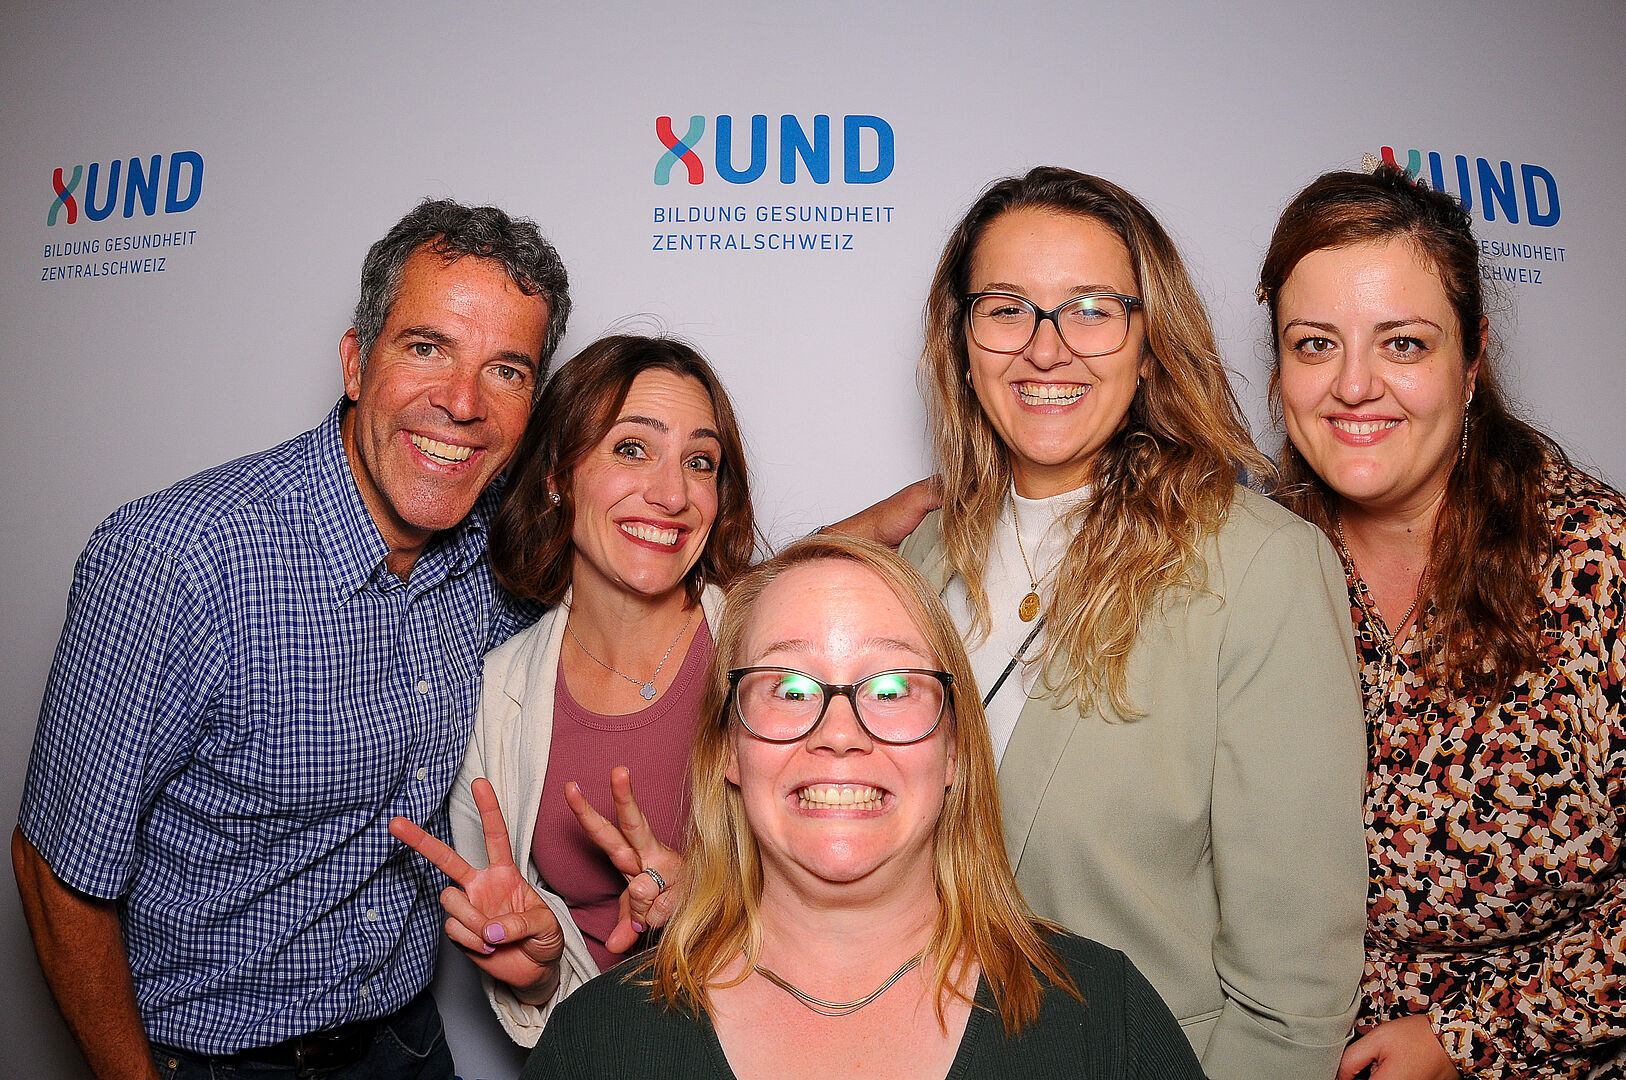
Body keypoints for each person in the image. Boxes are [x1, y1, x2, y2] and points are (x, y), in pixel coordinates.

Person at [12, 198, 570, 1080]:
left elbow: (654, 578)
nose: (462, 403)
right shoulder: (177, 561)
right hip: (215, 1061)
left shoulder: (499, 546)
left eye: (506, 370)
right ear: (355, 362)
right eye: (426, 348)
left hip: (405, 1041)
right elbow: (56, 872)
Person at [895, 166, 1370, 1079]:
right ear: (962, 341)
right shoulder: (921, 557)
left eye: (1091, 310)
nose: (1046, 349)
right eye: (1006, 309)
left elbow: (1294, 994)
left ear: (1149, 345)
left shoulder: (1259, 566)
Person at [521, 534, 1206, 1079]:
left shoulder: (1106, 1022)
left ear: (955, 751)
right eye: (790, 688)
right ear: (728, 749)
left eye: (891, 687)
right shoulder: (596, 1046)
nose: (840, 733)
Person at [1258, 164, 1626, 1080]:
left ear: (1472, 360)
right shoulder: (1245, 561)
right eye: (1314, 344)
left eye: (1404, 344)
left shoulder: (1596, 563)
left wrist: (1465, 1039)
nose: (1353, 386)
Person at [389, 334, 755, 1046]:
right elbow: (541, 965)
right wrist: (535, 971)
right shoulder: (498, 695)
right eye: (632, 449)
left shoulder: (766, 652)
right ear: (558, 474)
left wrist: (718, 904)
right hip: (606, 1052)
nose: (672, 494)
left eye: (700, 462)